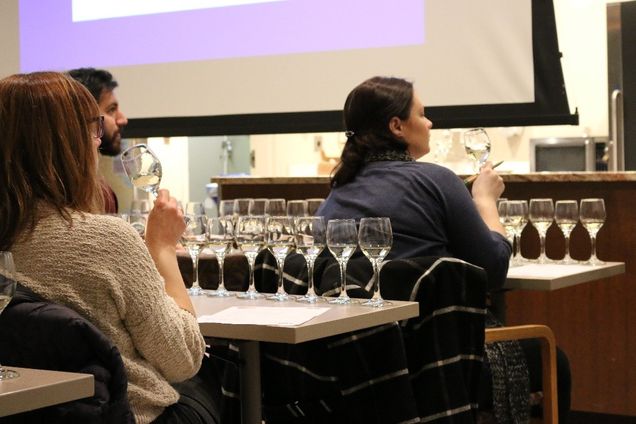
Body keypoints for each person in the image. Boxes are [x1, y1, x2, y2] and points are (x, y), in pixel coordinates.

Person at [317, 76, 570, 423]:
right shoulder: (437, 180)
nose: (430, 123)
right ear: (397, 126)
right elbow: (494, 269)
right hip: (436, 367)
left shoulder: (334, 198)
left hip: (357, 374)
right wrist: (485, 201)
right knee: (555, 361)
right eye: (422, 114)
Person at [0, 72, 219, 424]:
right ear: (68, 144)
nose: (98, 142)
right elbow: (184, 357)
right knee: (219, 376)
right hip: (124, 413)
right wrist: (162, 248)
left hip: (25, 413)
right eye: (93, 129)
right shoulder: (106, 240)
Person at [68, 67, 129, 213]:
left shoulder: (102, 192)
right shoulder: (96, 196)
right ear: (84, 118)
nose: (123, 119)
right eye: (111, 110)